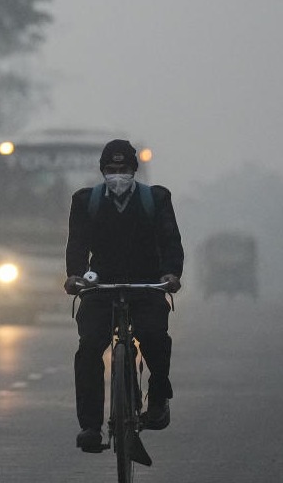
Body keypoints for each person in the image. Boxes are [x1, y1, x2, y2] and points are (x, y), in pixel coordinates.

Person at [64, 139, 184, 453]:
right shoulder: (86, 201)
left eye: (124, 169)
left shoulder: (155, 199)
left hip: (146, 285)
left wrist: (171, 274)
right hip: (101, 287)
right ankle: (91, 426)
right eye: (111, 169)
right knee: (90, 346)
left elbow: (170, 240)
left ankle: (158, 399)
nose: (117, 175)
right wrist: (74, 275)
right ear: (102, 171)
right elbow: (76, 244)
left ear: (134, 170)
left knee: (154, 335)